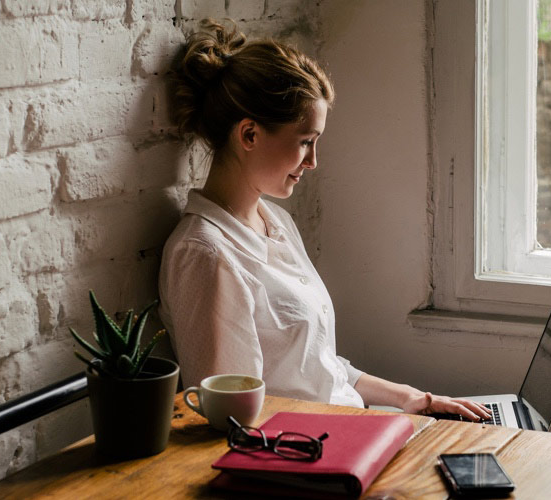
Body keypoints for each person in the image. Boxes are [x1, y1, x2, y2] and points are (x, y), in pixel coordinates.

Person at [158, 20, 491, 421]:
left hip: (351, 427)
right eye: (304, 142)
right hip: (314, 452)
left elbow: (317, 367)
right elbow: (229, 417)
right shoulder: (206, 254)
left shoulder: (275, 221)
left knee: (547, 428)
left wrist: (410, 398)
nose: (314, 162)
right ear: (249, 134)